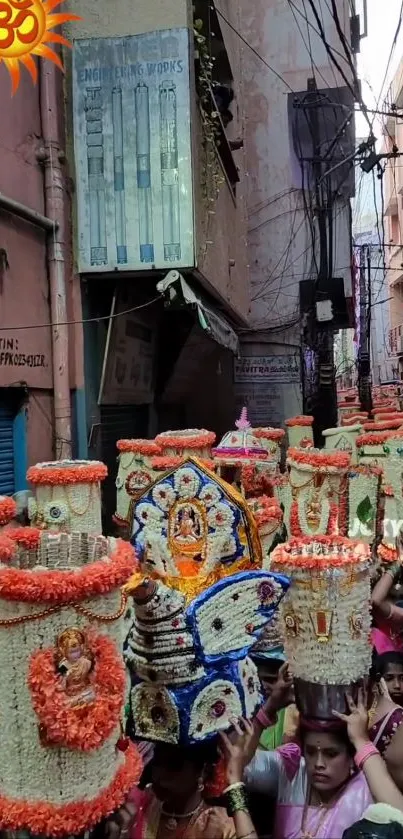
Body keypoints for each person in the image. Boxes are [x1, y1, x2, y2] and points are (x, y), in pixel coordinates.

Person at [127, 740, 235, 839]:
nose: (159, 774)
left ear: (203, 771)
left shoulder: (219, 827)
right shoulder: (137, 807)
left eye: (173, 766)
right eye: (157, 762)